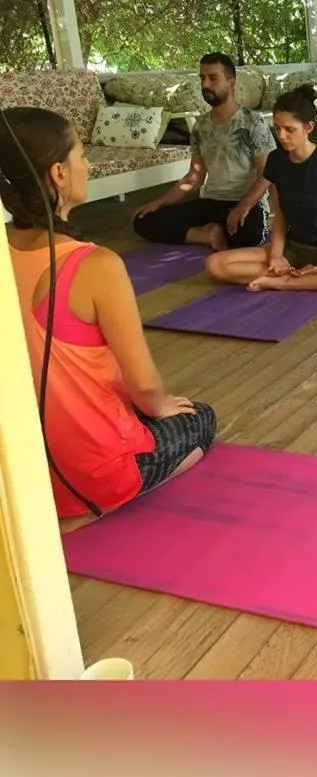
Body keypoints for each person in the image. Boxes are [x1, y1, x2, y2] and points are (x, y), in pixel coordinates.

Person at [1, 107, 217, 533]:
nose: (90, 164)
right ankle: (103, 504)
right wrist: (157, 408)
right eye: (82, 154)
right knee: (201, 418)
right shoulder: (97, 265)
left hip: (21, 472)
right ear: (59, 174)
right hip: (93, 474)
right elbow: (145, 386)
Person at [205, 85, 317, 291]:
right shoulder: (276, 160)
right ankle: (293, 276)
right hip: (293, 250)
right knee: (215, 265)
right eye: (277, 127)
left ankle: (287, 282)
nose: (281, 136)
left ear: (308, 127)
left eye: (289, 129)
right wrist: (275, 257)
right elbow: (280, 217)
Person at [131, 52, 275, 251]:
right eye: (202, 78)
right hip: (210, 201)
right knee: (143, 220)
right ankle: (207, 236)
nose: (205, 84)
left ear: (231, 82)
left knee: (247, 235)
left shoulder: (253, 122)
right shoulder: (200, 126)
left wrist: (243, 206)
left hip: (246, 202)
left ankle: (216, 231)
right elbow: (195, 176)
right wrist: (159, 203)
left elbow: (267, 173)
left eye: (213, 78)